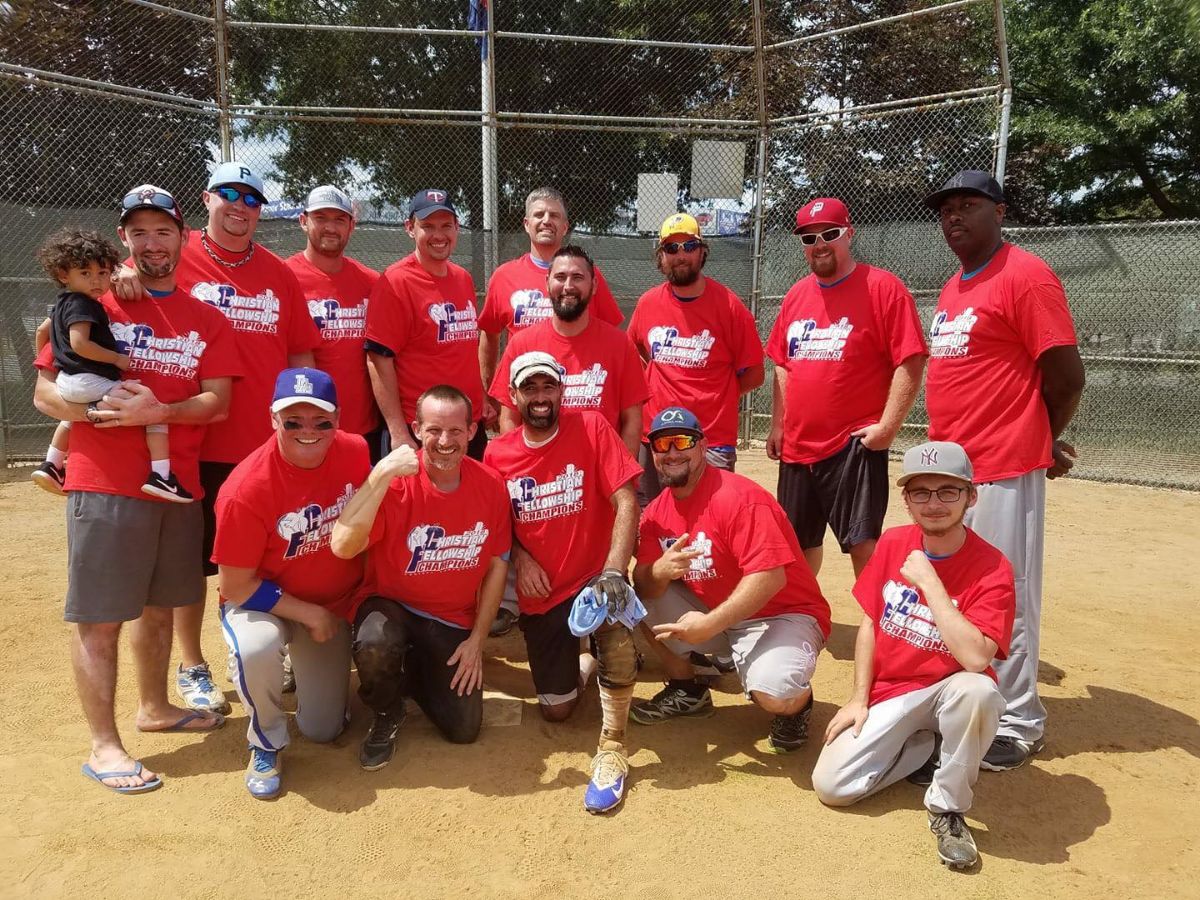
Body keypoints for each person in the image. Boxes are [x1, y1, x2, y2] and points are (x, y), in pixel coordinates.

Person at [32, 184, 239, 794]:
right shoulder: (93, 302)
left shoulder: (207, 319)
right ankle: (104, 746)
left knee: (160, 607)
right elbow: (45, 392)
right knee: (100, 619)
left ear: (183, 237)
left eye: (163, 231)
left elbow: (218, 403)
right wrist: (102, 416)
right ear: (124, 238)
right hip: (106, 485)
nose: (152, 243)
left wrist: (160, 412)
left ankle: (155, 708)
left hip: (176, 486)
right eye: (139, 232)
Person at [114, 161, 322, 714]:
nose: (240, 205)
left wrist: (304, 417)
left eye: (251, 198)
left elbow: (300, 351)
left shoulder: (277, 272)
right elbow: (127, 267)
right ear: (207, 199)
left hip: (265, 443)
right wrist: (116, 271)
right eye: (229, 193)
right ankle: (193, 663)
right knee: (190, 566)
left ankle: (260, 648)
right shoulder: (175, 253)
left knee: (267, 553)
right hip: (192, 441)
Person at [923, 170, 1085, 771]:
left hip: (1002, 465)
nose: (954, 216)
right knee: (961, 592)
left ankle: (1018, 721)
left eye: (969, 205)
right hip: (954, 471)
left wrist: (1040, 437)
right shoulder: (954, 285)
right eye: (946, 208)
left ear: (1000, 211)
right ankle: (972, 704)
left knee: (1006, 595)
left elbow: (1066, 376)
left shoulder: (1025, 275)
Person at [812, 441, 1015, 870]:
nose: (934, 503)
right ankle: (924, 748)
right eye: (921, 492)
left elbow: (977, 659)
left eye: (948, 491)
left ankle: (947, 808)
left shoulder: (992, 566)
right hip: (893, 692)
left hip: (950, 691)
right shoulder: (893, 542)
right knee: (833, 787)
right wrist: (859, 699)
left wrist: (931, 582)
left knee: (978, 692)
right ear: (906, 500)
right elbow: (870, 623)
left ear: (971, 496)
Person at [483, 351, 642, 814]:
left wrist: (614, 569)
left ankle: (613, 743)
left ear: (561, 390)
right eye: (529, 388)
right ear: (513, 396)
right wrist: (521, 556)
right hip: (542, 595)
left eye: (548, 386)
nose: (540, 397)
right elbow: (498, 525)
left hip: (594, 578)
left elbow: (626, 500)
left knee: (614, 624)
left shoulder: (591, 427)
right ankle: (586, 665)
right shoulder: (497, 454)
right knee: (557, 709)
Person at [331, 385, 510, 769]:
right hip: (392, 605)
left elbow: (497, 565)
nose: (445, 442)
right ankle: (387, 710)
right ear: (416, 430)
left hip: (450, 618)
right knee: (376, 643)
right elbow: (343, 547)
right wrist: (380, 474)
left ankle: (413, 674)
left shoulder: (491, 485)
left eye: (455, 430)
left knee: (464, 728)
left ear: (472, 431)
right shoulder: (395, 482)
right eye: (434, 430)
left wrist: (477, 640)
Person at [632, 407, 831, 753]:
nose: (672, 452)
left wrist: (708, 625)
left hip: (781, 615)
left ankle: (796, 707)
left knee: (776, 693)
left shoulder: (738, 498)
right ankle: (688, 690)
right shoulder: (656, 514)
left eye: (683, 442)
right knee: (633, 598)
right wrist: (658, 571)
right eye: (662, 444)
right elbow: (643, 586)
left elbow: (769, 578)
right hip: (719, 613)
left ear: (702, 446)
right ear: (653, 453)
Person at [213, 367, 370, 799]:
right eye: (293, 421)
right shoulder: (245, 490)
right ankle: (265, 739)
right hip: (262, 601)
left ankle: (296, 669)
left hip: (332, 602)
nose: (308, 431)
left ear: (338, 419)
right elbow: (236, 586)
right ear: (273, 419)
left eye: (321, 421)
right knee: (256, 647)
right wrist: (308, 613)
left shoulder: (355, 452)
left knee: (322, 729)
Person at [766, 197, 927, 580]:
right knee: (798, 543)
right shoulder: (796, 295)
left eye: (830, 233)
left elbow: (911, 359)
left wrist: (888, 427)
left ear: (849, 234)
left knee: (863, 543)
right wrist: (777, 425)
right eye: (809, 238)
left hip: (853, 442)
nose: (819, 244)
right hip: (798, 446)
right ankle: (802, 611)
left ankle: (876, 615)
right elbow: (783, 363)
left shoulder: (883, 288)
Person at [31, 224, 191, 501]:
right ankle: (162, 476)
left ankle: (52, 464)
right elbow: (81, 343)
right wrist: (116, 358)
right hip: (86, 379)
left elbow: (41, 332)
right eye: (85, 273)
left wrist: (58, 360)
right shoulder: (85, 304)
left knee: (72, 418)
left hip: (70, 380)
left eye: (103, 273)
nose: (96, 281)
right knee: (151, 411)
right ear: (63, 274)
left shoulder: (62, 302)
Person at [628, 213, 764, 503]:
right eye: (671, 248)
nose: (681, 255)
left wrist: (716, 395)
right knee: (653, 519)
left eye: (689, 246)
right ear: (661, 256)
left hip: (709, 438)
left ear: (702, 251)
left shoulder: (729, 306)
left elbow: (754, 373)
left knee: (710, 521)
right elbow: (634, 352)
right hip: (656, 436)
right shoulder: (648, 303)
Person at [478, 186, 624, 427]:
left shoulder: (587, 276)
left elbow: (610, 339)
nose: (546, 221)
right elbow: (489, 336)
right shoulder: (504, 276)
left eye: (554, 215)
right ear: (526, 224)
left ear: (565, 227)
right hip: (529, 402)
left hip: (580, 395)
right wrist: (490, 393)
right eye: (539, 215)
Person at [489, 245, 647, 456]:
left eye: (578, 277)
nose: (568, 286)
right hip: (542, 470)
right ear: (547, 282)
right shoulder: (522, 344)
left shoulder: (620, 344)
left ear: (594, 285)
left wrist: (623, 472)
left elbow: (632, 421)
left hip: (601, 471)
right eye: (560, 277)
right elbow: (509, 419)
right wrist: (521, 466)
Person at [366, 188, 487, 461]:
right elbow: (378, 360)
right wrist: (398, 431)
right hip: (424, 430)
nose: (439, 235)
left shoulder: (463, 278)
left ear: (457, 227)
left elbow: (465, 349)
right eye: (428, 226)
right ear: (410, 228)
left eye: (446, 225)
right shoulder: (395, 282)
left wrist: (481, 398)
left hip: (467, 424)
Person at [285, 185, 384, 460]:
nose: (330, 227)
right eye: (321, 218)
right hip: (306, 429)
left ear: (351, 226)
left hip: (364, 428)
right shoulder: (283, 277)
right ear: (303, 221)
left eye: (339, 219)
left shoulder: (371, 282)